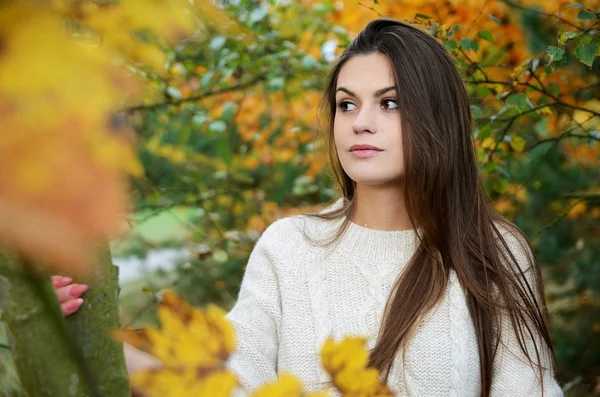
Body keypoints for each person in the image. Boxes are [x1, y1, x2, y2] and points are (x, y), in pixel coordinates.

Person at [55, 18, 563, 396]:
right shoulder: (290, 246)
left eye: (390, 103)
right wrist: (79, 333)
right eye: (347, 104)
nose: (360, 122)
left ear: (437, 117)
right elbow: (227, 385)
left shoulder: (492, 250)